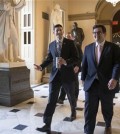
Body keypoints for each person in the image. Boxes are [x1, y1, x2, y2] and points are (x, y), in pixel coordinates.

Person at [34, 24, 79, 133]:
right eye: (56, 30)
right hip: (55, 76)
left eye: (60, 30)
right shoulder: (51, 45)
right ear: (53, 32)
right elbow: (49, 58)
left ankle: (73, 111)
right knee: (51, 100)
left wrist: (66, 62)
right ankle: (47, 124)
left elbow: (76, 58)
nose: (58, 32)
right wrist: (41, 66)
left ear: (62, 31)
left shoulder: (70, 43)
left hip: (68, 75)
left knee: (71, 96)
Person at [81, 24, 120, 134]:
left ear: (104, 33)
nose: (96, 35)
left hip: (107, 84)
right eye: (94, 33)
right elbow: (84, 65)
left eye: (99, 32)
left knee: (107, 109)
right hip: (91, 84)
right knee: (89, 111)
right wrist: (83, 79)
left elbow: (117, 64)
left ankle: (108, 123)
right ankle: (88, 131)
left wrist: (114, 78)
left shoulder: (113, 47)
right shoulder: (88, 48)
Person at [57, 32, 83, 106]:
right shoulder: (63, 45)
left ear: (72, 37)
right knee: (64, 82)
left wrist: (77, 66)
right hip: (65, 67)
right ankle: (61, 98)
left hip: (74, 67)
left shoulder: (77, 45)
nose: (67, 38)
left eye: (69, 36)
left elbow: (80, 57)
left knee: (74, 83)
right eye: (66, 36)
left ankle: (75, 97)